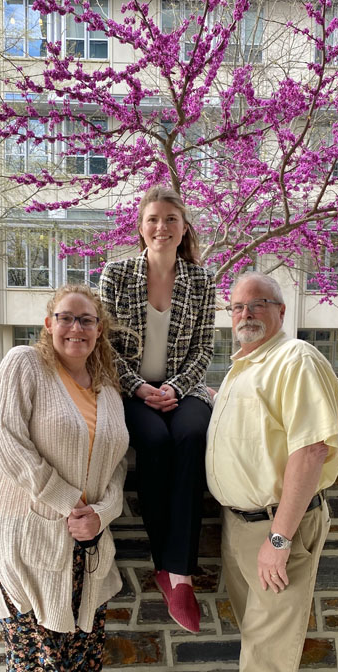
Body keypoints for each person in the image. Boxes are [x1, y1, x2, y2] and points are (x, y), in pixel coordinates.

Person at [0, 285, 129, 672]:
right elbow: (6, 438)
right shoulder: (25, 365)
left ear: (99, 328)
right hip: (24, 537)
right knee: (30, 657)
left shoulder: (107, 386)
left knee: (75, 662)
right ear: (49, 323)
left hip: (84, 547)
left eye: (87, 320)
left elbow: (117, 469)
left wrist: (102, 514)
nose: (77, 329)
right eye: (66, 318)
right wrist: (70, 501)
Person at [205, 272, 338, 672]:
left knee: (263, 667)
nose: (245, 314)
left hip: (276, 531)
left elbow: (311, 451)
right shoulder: (247, 366)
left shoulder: (297, 360)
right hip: (242, 528)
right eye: (238, 306)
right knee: (262, 652)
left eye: (259, 304)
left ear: (281, 312)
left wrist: (280, 539)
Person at [99, 185, 216, 633]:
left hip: (183, 390)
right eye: (153, 219)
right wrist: (140, 388)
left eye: (171, 219)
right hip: (130, 391)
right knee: (155, 441)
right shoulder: (117, 274)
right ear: (141, 227)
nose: (162, 227)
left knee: (189, 436)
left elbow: (204, 347)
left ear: (184, 227)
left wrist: (174, 386)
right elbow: (106, 346)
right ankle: (163, 562)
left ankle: (179, 574)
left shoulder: (200, 281)